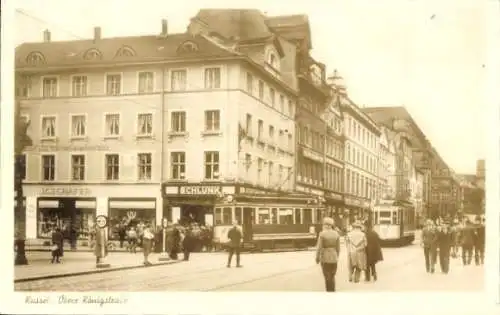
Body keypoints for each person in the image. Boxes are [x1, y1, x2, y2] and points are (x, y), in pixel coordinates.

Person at [315, 217, 341, 292]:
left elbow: (319, 247)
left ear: (325, 225)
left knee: (327, 276)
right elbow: (338, 248)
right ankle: (333, 290)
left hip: (325, 258)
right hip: (334, 258)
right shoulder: (336, 234)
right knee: (332, 276)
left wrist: (317, 258)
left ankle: (329, 292)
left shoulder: (322, 234)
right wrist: (336, 256)